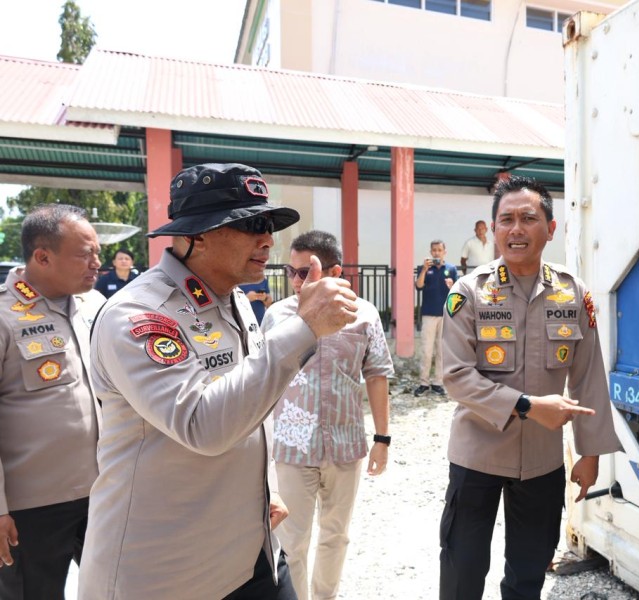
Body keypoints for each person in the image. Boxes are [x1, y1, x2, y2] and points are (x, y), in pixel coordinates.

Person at [78, 163, 358, 599]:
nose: (267, 239)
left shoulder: (235, 301)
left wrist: (258, 487)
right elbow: (203, 426)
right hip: (165, 573)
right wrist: (302, 328)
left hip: (249, 551)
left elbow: (248, 401)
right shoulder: (137, 315)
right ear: (196, 235)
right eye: (249, 224)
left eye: (268, 224)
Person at [439, 176, 621, 599]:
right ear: (493, 228)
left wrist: (590, 454)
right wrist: (525, 405)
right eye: (506, 220)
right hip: (476, 457)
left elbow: (589, 375)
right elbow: (456, 376)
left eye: (528, 218)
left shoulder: (572, 293)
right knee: (462, 569)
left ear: (550, 229)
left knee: (529, 573)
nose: (516, 229)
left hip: (542, 462)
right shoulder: (469, 292)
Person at [262, 230, 393, 600]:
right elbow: (259, 379)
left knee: (337, 535)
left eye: (307, 272)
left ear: (335, 271)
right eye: (293, 271)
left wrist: (382, 438)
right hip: (291, 446)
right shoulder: (277, 316)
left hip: (345, 443)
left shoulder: (363, 315)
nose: (297, 281)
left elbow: (377, 374)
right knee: (292, 539)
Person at [0, 204, 105, 599]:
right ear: (42, 256)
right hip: (33, 506)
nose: (98, 262)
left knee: (121, 587)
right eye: (85, 254)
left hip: (103, 490)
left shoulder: (94, 306)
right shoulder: (4, 314)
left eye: (97, 252)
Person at [414, 240, 458, 397]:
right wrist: (425, 270)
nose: (437, 253)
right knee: (426, 350)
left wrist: (452, 286)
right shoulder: (424, 268)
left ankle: (438, 382)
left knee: (441, 350)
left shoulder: (451, 269)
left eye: (440, 250)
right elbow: (418, 286)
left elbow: (458, 293)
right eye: (434, 250)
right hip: (428, 314)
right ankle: (423, 383)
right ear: (431, 252)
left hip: (445, 315)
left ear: (445, 251)